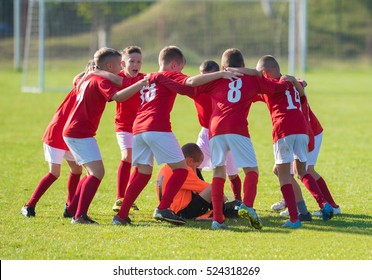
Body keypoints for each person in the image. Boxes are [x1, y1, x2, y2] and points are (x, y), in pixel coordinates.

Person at [112, 45, 239, 226]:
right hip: (157, 127)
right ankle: (164, 208)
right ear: (173, 65)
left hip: (138, 129)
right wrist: (220, 74)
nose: (181, 73)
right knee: (180, 169)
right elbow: (191, 82)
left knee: (142, 173)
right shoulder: (169, 74)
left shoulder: (149, 78)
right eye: (181, 68)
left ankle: (121, 215)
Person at [193, 48, 289, 230]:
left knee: (218, 172)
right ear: (243, 65)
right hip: (237, 128)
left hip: (214, 128)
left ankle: (218, 220)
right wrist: (288, 81)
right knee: (251, 170)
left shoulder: (217, 79)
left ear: (223, 66)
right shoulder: (251, 79)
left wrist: (219, 74)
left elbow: (190, 83)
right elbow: (278, 88)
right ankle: (248, 206)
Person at [62, 47, 148, 224]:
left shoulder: (92, 77)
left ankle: (73, 209)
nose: (121, 67)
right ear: (109, 65)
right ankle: (79, 216)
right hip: (79, 132)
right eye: (119, 64)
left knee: (91, 173)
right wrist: (139, 84)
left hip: (77, 131)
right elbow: (118, 96)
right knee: (97, 173)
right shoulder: (101, 79)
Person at [247, 55, 334, 227]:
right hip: (302, 129)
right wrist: (296, 80)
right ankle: (323, 204)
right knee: (302, 172)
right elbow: (304, 83)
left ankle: (294, 219)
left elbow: (251, 88)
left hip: (283, 129)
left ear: (265, 73)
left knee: (283, 175)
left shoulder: (269, 85)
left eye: (260, 73)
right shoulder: (292, 83)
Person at [20, 62, 94, 218]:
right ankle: (29, 205)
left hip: (72, 135)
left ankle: (70, 206)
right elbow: (78, 80)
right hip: (56, 133)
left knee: (77, 170)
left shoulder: (93, 86)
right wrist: (89, 72)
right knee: (54, 173)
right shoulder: (81, 82)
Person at [273, 87, 341, 218]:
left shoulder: (288, 88)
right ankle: (289, 202)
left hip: (309, 132)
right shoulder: (290, 87)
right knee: (283, 170)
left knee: (302, 170)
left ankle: (330, 205)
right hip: (300, 132)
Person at [194, 60, 242, 203]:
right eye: (203, 76)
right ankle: (199, 197)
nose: (205, 80)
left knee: (232, 172)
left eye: (209, 76)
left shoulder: (225, 88)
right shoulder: (197, 88)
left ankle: (238, 201)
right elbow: (182, 83)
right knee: (196, 167)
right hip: (205, 133)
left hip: (225, 134)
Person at [155, 143, 239, 220]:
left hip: (171, 209)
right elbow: (210, 189)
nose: (196, 170)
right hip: (181, 212)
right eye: (196, 166)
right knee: (214, 188)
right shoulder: (185, 170)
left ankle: (222, 209)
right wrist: (224, 198)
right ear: (189, 161)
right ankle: (223, 210)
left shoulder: (167, 167)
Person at [112, 46, 145, 213]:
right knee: (127, 156)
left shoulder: (144, 79)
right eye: (132, 61)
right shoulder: (117, 78)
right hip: (123, 125)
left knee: (139, 162)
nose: (136, 64)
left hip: (140, 126)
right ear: (123, 63)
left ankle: (129, 198)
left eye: (139, 61)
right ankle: (119, 197)